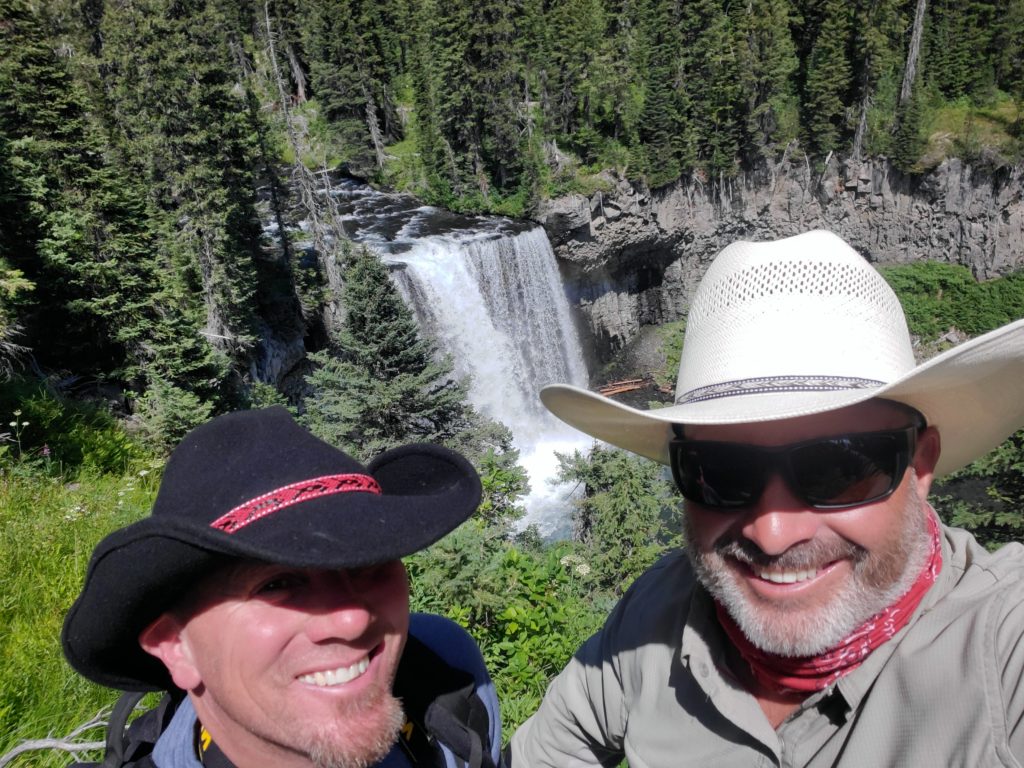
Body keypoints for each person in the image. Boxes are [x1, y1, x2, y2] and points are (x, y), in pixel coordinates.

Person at [509, 229, 1024, 766]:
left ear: (921, 466)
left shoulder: (1005, 651)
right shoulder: (656, 612)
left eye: (839, 467)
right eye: (720, 469)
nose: (773, 534)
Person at [62, 406, 502, 768]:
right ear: (176, 647)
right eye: (276, 584)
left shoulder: (448, 670)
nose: (352, 620)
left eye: (368, 563)